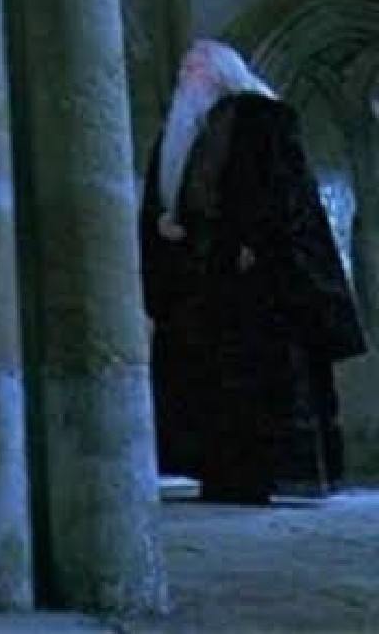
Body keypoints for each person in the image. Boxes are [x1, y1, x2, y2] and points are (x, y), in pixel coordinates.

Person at [139, 38, 367, 504]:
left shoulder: (262, 119)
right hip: (200, 281)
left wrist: (256, 243)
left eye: (196, 68)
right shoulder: (180, 131)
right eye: (185, 69)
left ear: (222, 72)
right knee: (208, 386)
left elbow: (283, 192)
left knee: (260, 384)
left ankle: (266, 477)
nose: (187, 77)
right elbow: (167, 196)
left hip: (255, 281)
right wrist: (164, 223)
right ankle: (219, 474)